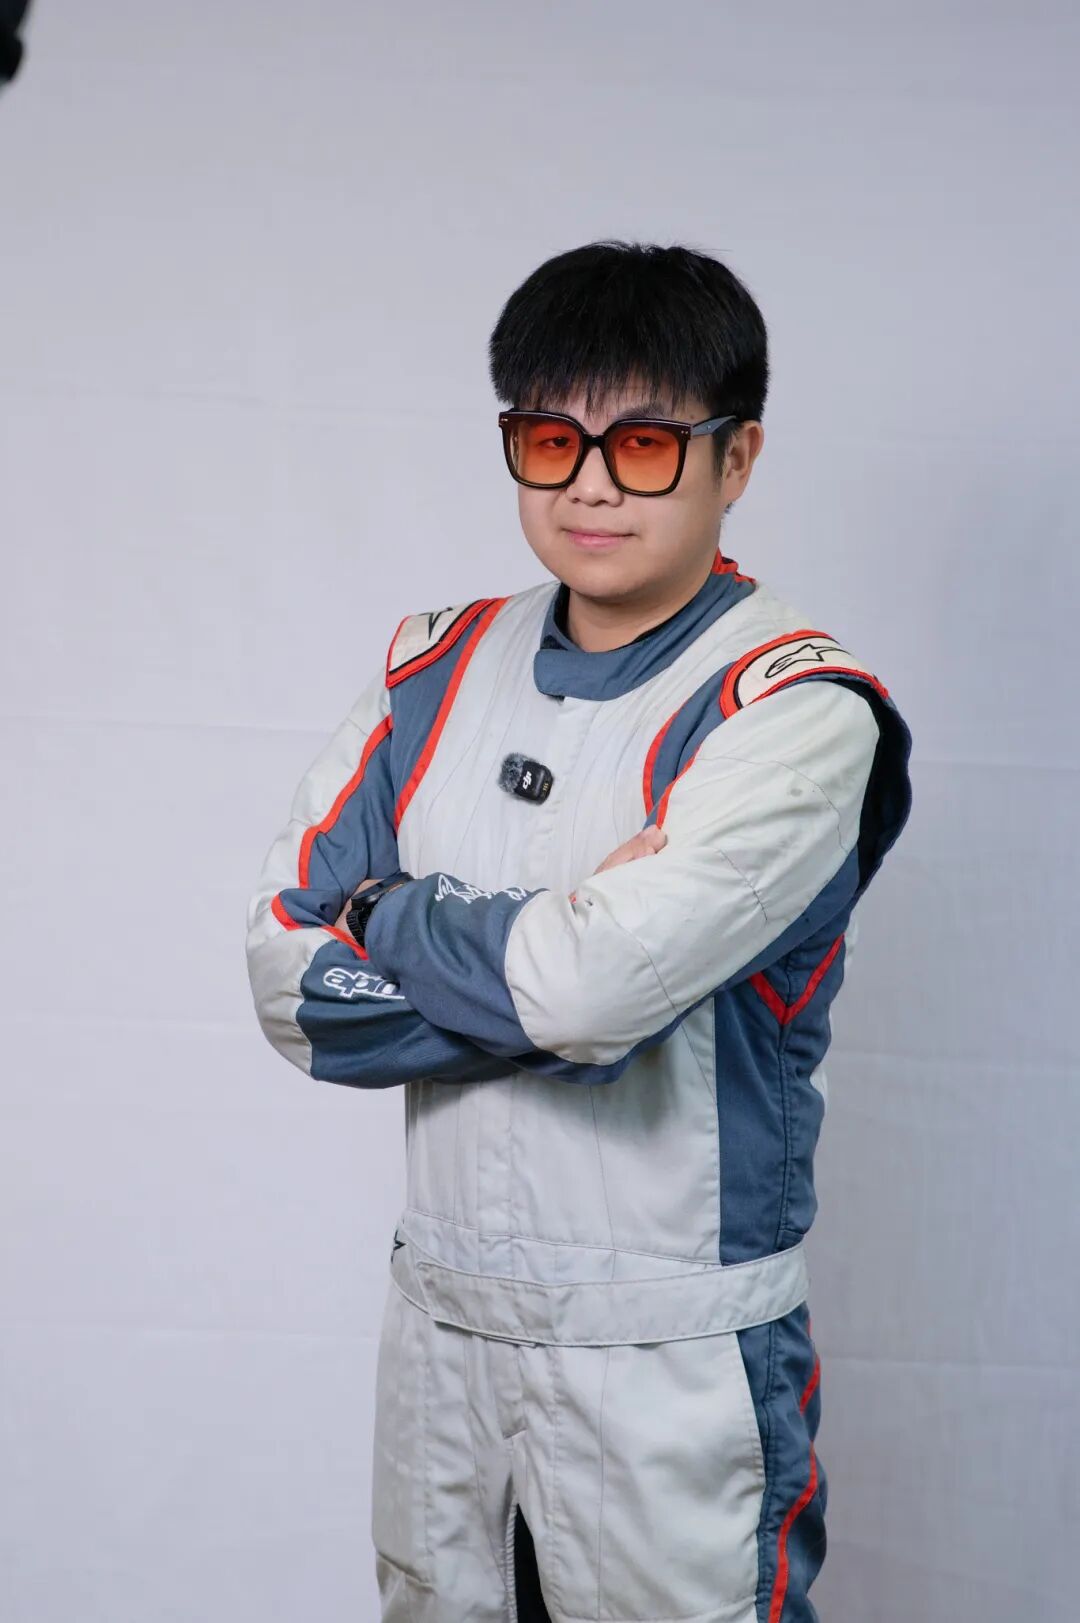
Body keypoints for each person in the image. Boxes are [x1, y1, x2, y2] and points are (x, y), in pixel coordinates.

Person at [245, 239, 913, 1623]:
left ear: (738, 457)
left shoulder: (791, 712)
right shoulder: (433, 671)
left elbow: (588, 994)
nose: (591, 486)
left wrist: (388, 914)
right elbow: (291, 986)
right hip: (444, 1347)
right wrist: (552, 962)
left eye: (646, 445)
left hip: (668, 1366)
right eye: (552, 440)